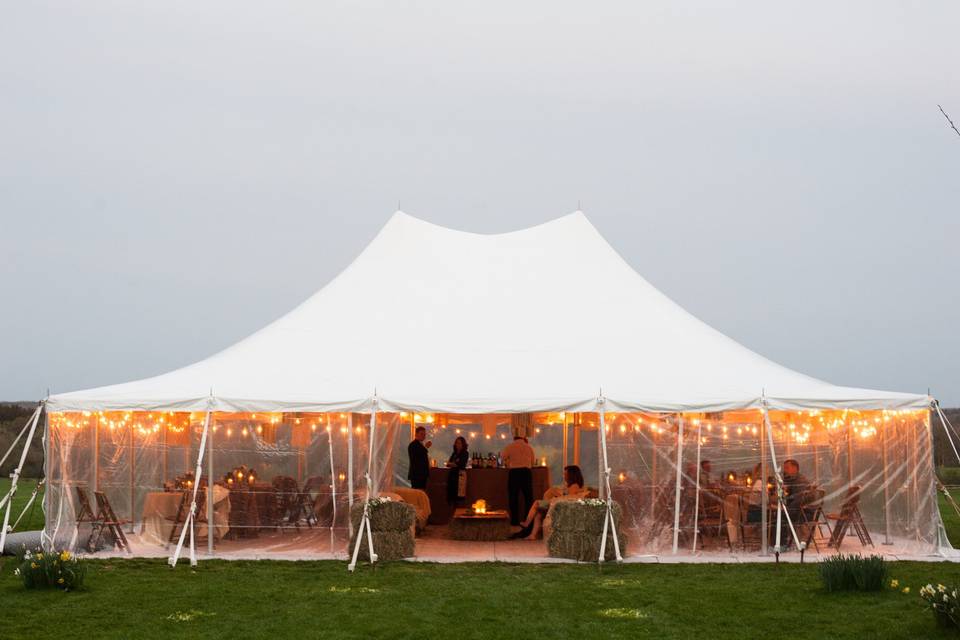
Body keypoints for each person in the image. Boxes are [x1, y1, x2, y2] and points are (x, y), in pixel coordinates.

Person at [513, 465, 586, 540]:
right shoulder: (571, 486)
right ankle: (533, 535)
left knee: (536, 503)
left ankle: (527, 523)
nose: (564, 476)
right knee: (539, 513)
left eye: (565, 474)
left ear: (571, 476)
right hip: (557, 502)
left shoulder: (574, 486)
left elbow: (568, 498)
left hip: (557, 503)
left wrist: (559, 494)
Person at [502, 434, 535, 526]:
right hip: (526, 472)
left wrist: (509, 463)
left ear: (514, 438)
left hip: (514, 472)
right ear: (524, 438)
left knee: (513, 497)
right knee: (528, 497)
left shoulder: (510, 446)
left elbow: (503, 457)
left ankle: (514, 521)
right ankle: (528, 520)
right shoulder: (528, 447)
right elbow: (532, 462)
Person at [445, 436, 469, 504]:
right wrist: (453, 464)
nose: (457, 445)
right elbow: (448, 463)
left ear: (463, 444)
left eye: (459, 443)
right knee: (452, 496)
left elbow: (461, 465)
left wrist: (453, 464)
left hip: (460, 476)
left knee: (459, 496)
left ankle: (458, 512)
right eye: (456, 443)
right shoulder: (454, 453)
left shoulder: (465, 453)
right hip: (452, 476)